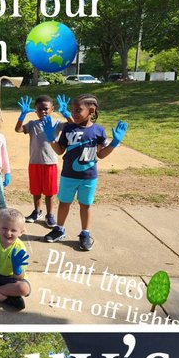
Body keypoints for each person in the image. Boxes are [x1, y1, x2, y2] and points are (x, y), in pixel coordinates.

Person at [43, 94, 128, 251]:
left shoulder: (99, 131)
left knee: (85, 205)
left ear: (91, 110)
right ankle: (59, 229)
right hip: (68, 175)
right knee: (64, 203)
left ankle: (85, 233)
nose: (73, 113)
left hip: (88, 177)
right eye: (72, 110)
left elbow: (101, 155)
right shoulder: (68, 129)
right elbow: (60, 151)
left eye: (78, 110)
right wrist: (51, 139)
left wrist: (114, 143)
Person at [16, 94, 61, 225]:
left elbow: (71, 126)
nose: (43, 111)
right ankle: (37, 211)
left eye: (46, 109)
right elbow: (18, 129)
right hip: (34, 163)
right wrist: (22, 116)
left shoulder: (56, 124)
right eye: (39, 109)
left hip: (50, 163)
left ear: (52, 109)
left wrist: (67, 114)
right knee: (36, 191)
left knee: (49, 192)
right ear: (35, 110)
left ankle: (50, 215)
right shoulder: (32, 124)